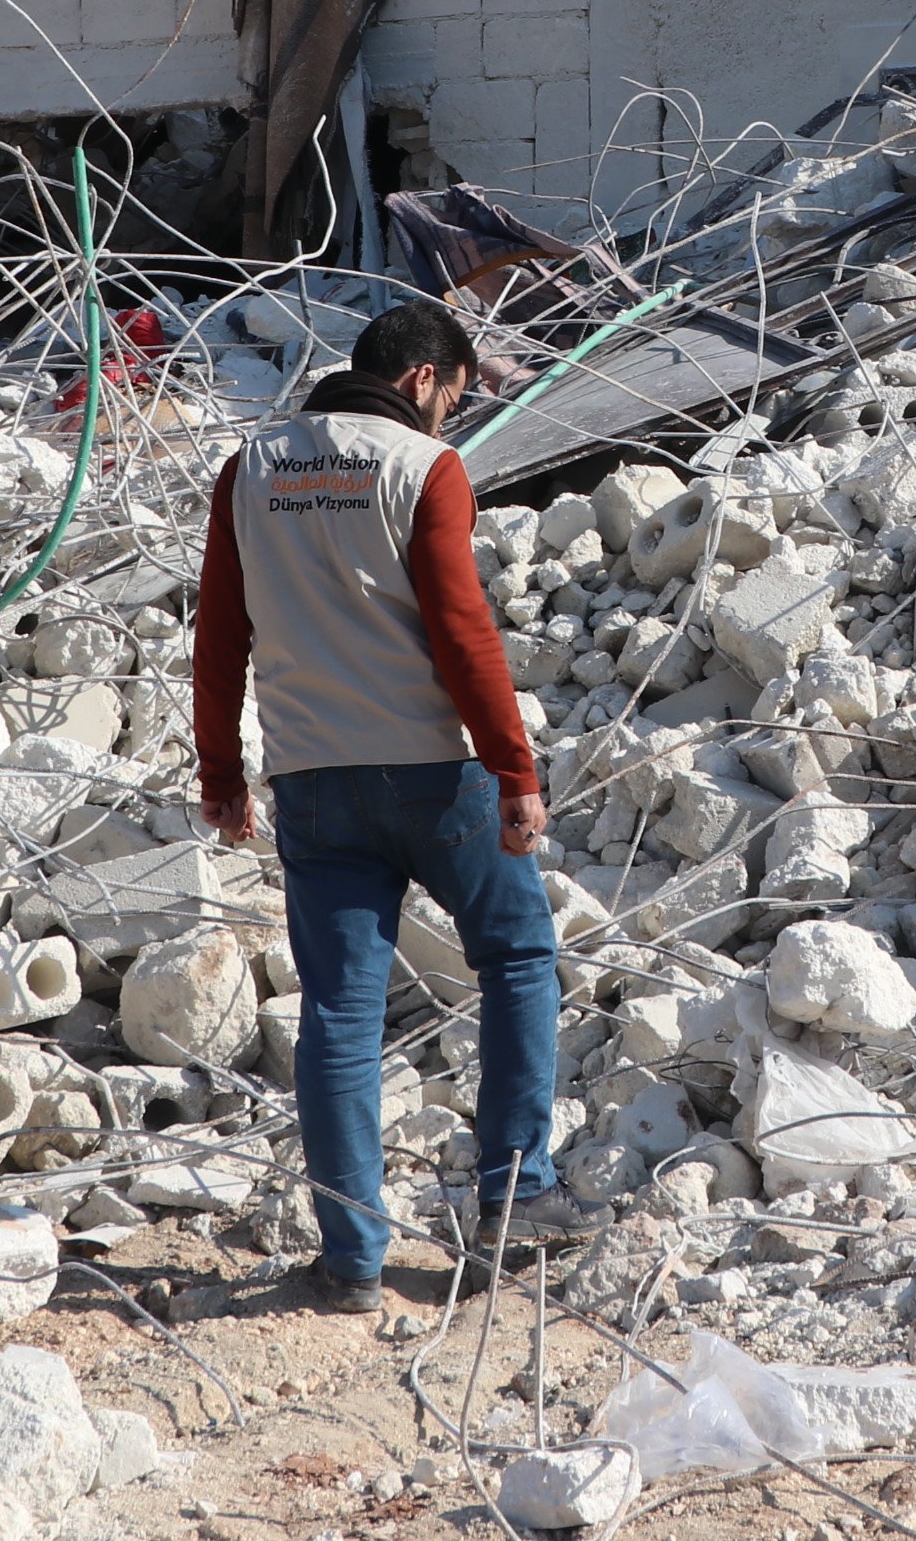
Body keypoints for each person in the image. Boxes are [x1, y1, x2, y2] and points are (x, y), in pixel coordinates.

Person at [191, 297, 599, 1312]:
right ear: (422, 378)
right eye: (452, 398)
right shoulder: (425, 470)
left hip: (313, 781)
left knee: (339, 1013)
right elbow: (464, 633)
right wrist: (516, 770)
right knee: (516, 956)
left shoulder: (253, 468)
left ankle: (352, 1261)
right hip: (437, 774)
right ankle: (515, 1196)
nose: (449, 422)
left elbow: (218, 636)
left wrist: (222, 775)